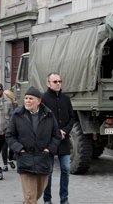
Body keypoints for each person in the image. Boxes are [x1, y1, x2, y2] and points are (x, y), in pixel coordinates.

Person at [6, 87, 61, 204]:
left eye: (31, 98)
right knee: (31, 197)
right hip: (25, 159)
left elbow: (56, 136)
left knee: (37, 194)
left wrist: (49, 149)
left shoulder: (49, 115)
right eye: (26, 98)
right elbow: (9, 136)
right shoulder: (17, 115)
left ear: (39, 101)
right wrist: (19, 149)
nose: (27, 101)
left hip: (43, 159)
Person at [42, 73, 76, 204]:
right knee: (48, 171)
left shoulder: (66, 99)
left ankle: (64, 199)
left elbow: (72, 117)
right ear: (48, 83)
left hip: (64, 140)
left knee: (66, 169)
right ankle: (47, 199)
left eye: (60, 81)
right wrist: (56, 132)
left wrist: (65, 131)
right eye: (55, 81)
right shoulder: (43, 99)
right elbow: (42, 120)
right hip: (49, 141)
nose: (58, 83)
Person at [3, 89, 18, 170]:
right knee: (4, 147)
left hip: (13, 128)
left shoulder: (15, 105)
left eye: (6, 95)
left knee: (12, 146)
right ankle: (5, 165)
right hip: (4, 128)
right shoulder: (2, 104)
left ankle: (10, 159)